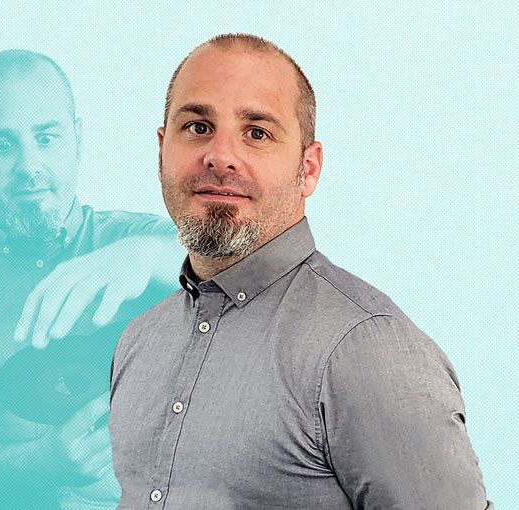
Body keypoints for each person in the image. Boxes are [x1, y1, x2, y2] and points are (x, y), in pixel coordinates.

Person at [109, 34, 493, 509]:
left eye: (257, 133)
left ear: (308, 168)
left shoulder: (365, 347)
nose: (220, 155)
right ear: (161, 151)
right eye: (198, 126)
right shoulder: (140, 340)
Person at [0, 50, 183, 509]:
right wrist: (39, 464)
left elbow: (261, 278)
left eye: (46, 138)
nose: (29, 166)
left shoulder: (145, 240)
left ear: (76, 138)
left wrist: (154, 256)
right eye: (1, 145)